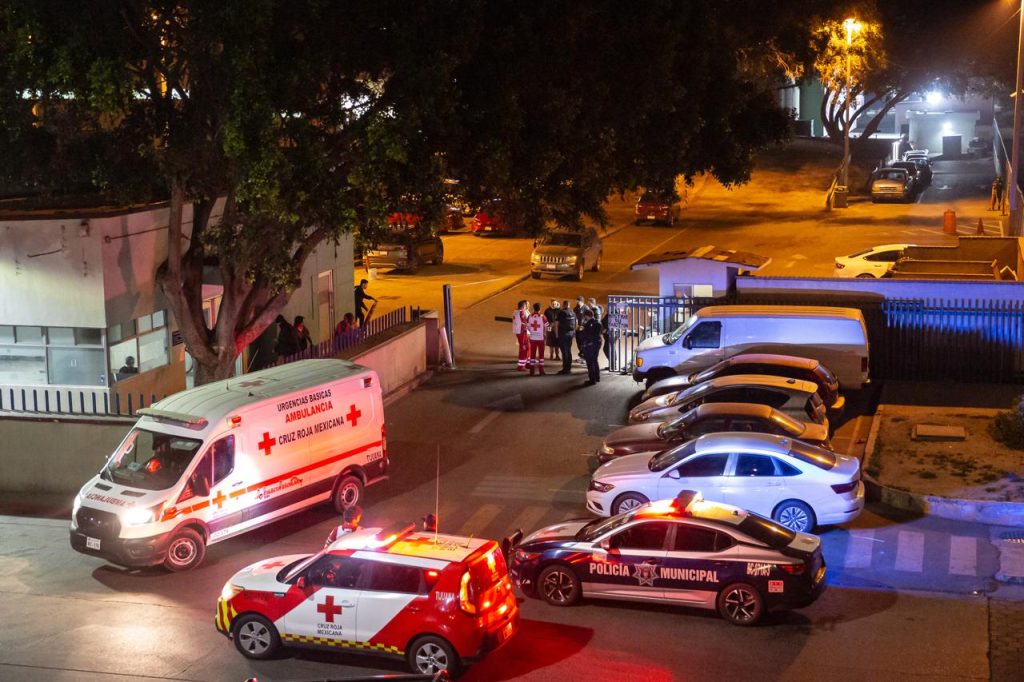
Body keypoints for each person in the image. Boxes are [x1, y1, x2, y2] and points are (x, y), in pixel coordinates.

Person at [578, 308, 602, 385]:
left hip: (590, 344)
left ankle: (592, 380)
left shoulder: (589, 324)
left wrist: (581, 332)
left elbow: (587, 335)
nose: (585, 318)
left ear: (587, 316)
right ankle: (597, 377)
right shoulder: (598, 322)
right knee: (595, 360)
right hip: (597, 343)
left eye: (585, 316)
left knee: (590, 362)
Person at [555, 299, 577, 374]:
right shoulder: (573, 312)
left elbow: (557, 324)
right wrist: (574, 332)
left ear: (563, 305)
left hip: (563, 334)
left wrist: (556, 334)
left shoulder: (561, 312)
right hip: (570, 334)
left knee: (564, 352)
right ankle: (569, 367)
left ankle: (565, 369)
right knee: (568, 350)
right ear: (569, 305)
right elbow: (575, 323)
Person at [526, 302, 547, 375]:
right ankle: (541, 370)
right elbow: (547, 326)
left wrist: (531, 332)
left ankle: (532, 371)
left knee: (532, 355)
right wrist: (545, 333)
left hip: (532, 338)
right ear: (540, 309)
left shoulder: (529, 316)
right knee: (541, 355)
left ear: (533, 308)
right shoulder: (542, 317)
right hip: (541, 338)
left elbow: (527, 326)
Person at [512, 300, 530, 371]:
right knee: (524, 348)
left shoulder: (515, 312)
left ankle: (527, 363)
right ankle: (521, 366)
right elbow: (525, 322)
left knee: (527, 347)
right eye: (526, 306)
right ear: (523, 306)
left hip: (519, 332)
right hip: (523, 332)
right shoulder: (522, 312)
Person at [573, 296, 590, 364]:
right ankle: (582, 357)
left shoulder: (586, 308)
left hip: (583, 329)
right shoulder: (576, 308)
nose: (577, 302)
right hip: (577, 329)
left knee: (583, 343)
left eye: (578, 301)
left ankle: (585, 358)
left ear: (582, 301)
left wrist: (583, 326)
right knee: (579, 343)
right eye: (577, 301)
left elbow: (588, 318)